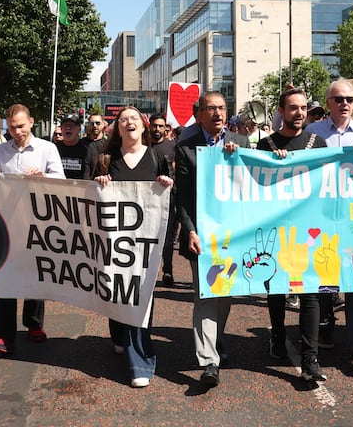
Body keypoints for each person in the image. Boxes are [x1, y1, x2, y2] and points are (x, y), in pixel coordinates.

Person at [92, 106, 173, 388]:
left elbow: (166, 200)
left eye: (134, 119)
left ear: (144, 126)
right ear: (117, 128)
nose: (129, 122)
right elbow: (92, 198)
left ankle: (140, 361)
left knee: (141, 296)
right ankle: (118, 334)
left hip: (146, 244)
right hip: (115, 241)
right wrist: (99, 182)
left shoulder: (157, 156)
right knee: (117, 291)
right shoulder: (105, 158)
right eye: (123, 119)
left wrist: (167, 183)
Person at [175, 91, 249, 387]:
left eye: (222, 108)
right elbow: (182, 196)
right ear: (199, 115)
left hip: (233, 234)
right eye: (211, 109)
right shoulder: (186, 148)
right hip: (201, 235)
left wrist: (238, 160)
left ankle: (216, 344)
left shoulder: (241, 143)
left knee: (224, 295)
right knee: (205, 294)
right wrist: (189, 229)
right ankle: (208, 362)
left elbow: (255, 184)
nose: (218, 113)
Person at [256, 88, 328, 382]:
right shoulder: (266, 144)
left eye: (302, 108)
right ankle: (277, 334)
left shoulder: (319, 143)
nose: (299, 113)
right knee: (277, 287)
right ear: (281, 111)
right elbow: (255, 183)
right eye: (293, 108)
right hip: (277, 226)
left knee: (310, 291)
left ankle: (311, 357)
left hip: (310, 227)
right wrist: (274, 163)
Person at [306, 79, 353, 365]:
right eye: (338, 99)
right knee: (326, 274)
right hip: (322, 215)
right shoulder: (312, 132)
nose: (345, 103)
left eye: (349, 98)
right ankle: (326, 326)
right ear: (328, 104)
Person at [0, 104, 65, 357]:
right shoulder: (0, 150)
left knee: (34, 274)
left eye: (20, 126)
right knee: (6, 278)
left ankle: (33, 323)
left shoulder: (47, 148)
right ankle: (2, 335)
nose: (16, 132)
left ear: (31, 122)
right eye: (11, 128)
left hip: (37, 221)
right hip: (8, 222)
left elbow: (61, 181)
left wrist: (43, 176)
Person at [149, 113, 177, 287]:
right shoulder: (142, 146)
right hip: (146, 198)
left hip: (168, 198)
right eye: (154, 126)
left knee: (167, 237)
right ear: (149, 126)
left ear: (166, 128)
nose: (157, 129)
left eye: (161, 126)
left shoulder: (172, 147)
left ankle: (167, 269)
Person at [54, 113, 89, 180]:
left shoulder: (87, 149)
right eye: (65, 125)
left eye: (71, 125)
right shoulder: (54, 149)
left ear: (79, 129)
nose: (68, 128)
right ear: (61, 129)